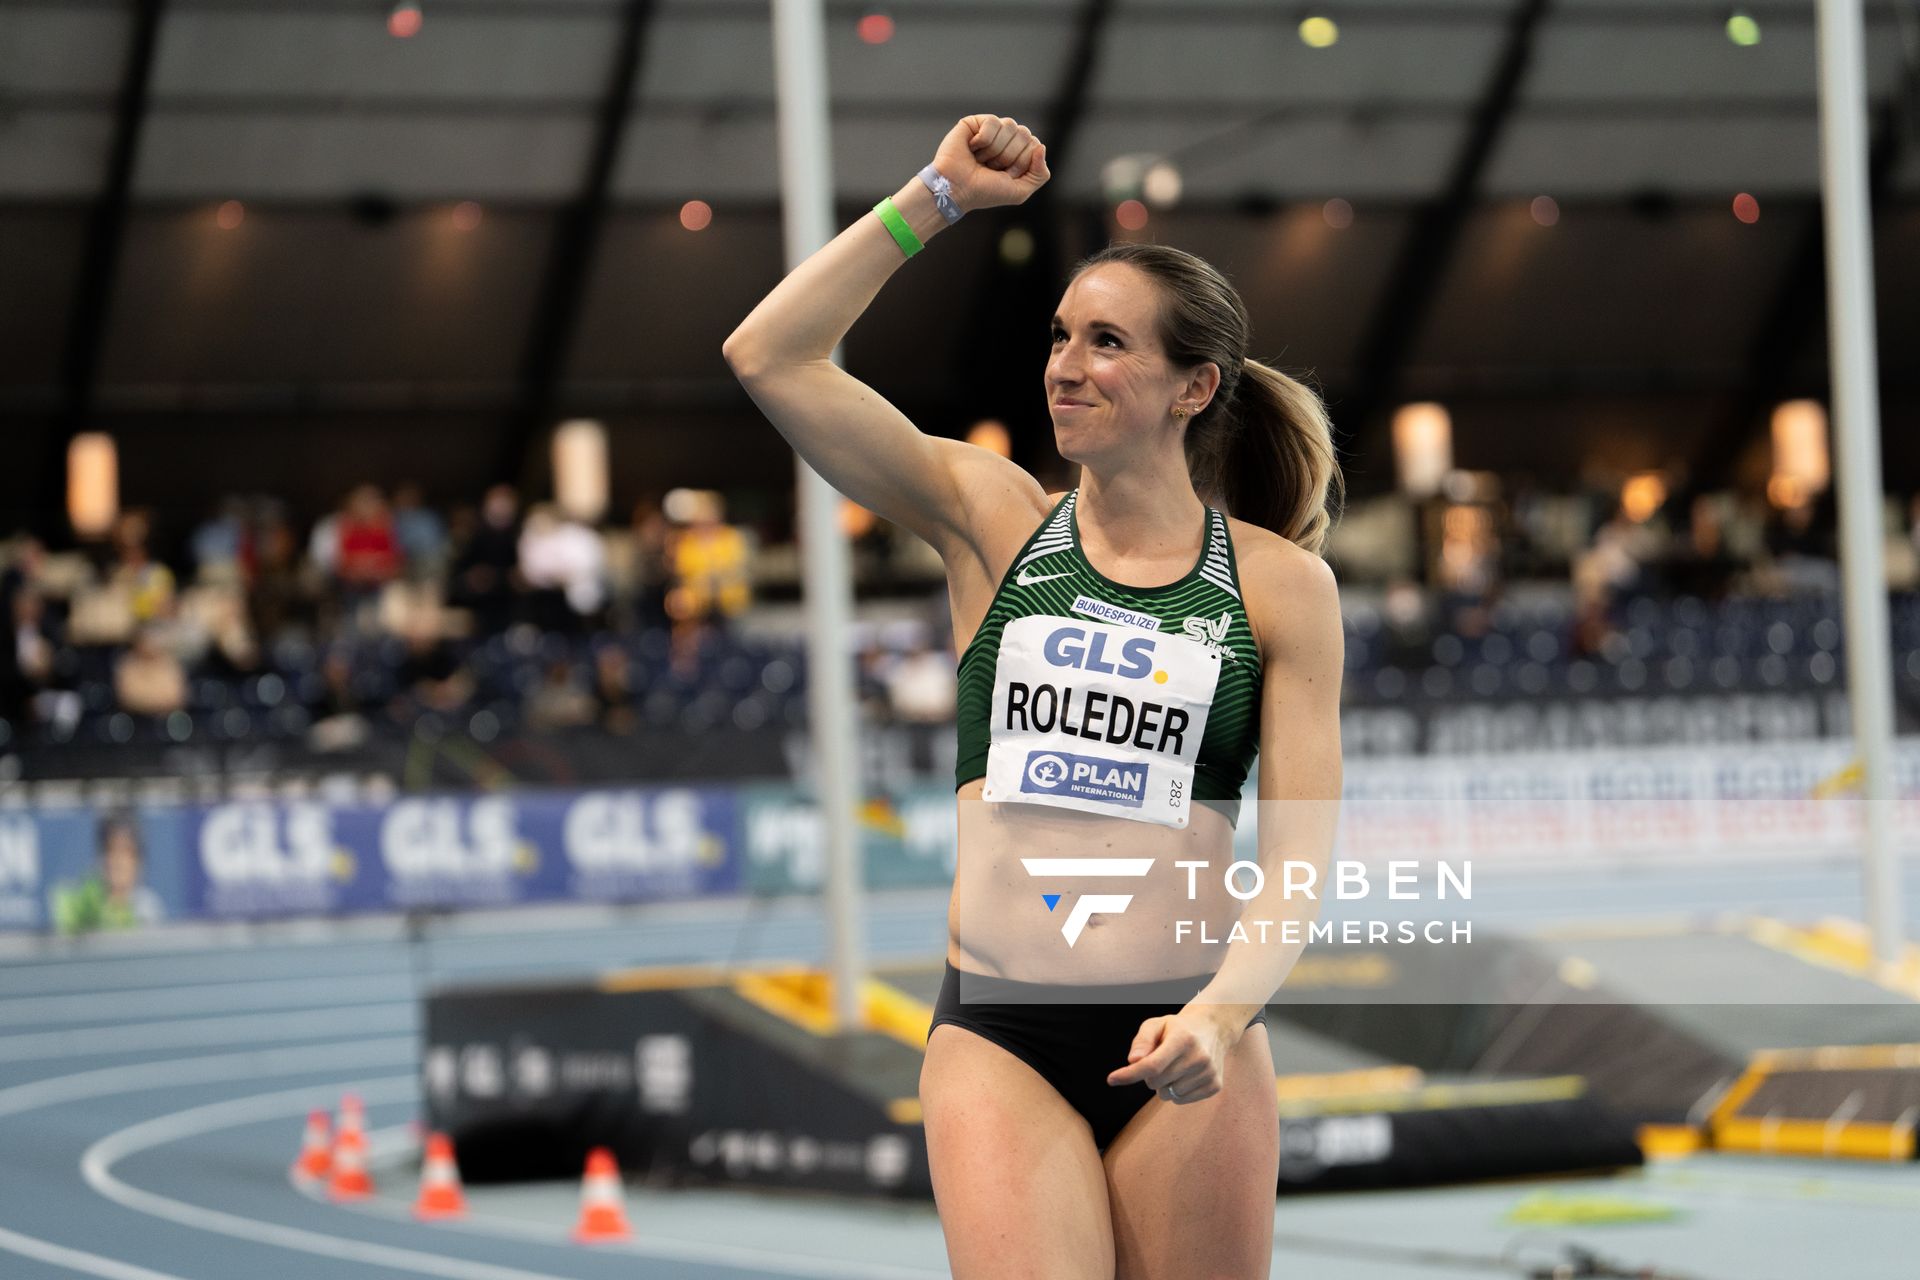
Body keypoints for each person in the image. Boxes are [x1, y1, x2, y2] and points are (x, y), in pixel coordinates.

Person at [725, 116, 1343, 1278]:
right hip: (1001, 1033)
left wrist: (1222, 1011)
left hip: (1188, 1037)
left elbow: (1302, 856)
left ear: (1192, 386)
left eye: (1108, 342)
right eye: (1060, 335)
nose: (1065, 363)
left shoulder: (1276, 586)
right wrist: (936, 198)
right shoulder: (992, 520)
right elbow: (771, 356)